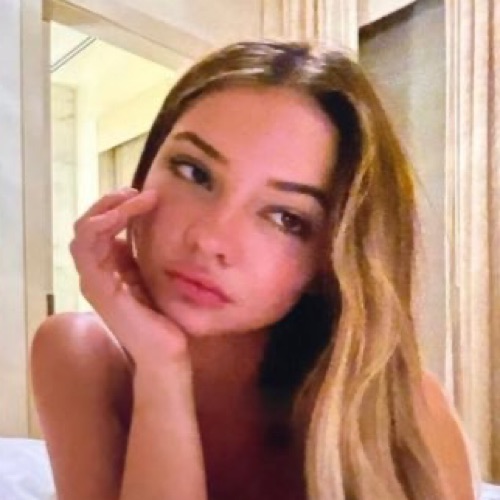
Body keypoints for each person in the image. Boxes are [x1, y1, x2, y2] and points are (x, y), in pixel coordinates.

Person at [31, 40, 475, 500]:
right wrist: (161, 371)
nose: (211, 240)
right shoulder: (81, 355)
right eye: (195, 172)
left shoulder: (400, 414)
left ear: (330, 260)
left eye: (286, 218)